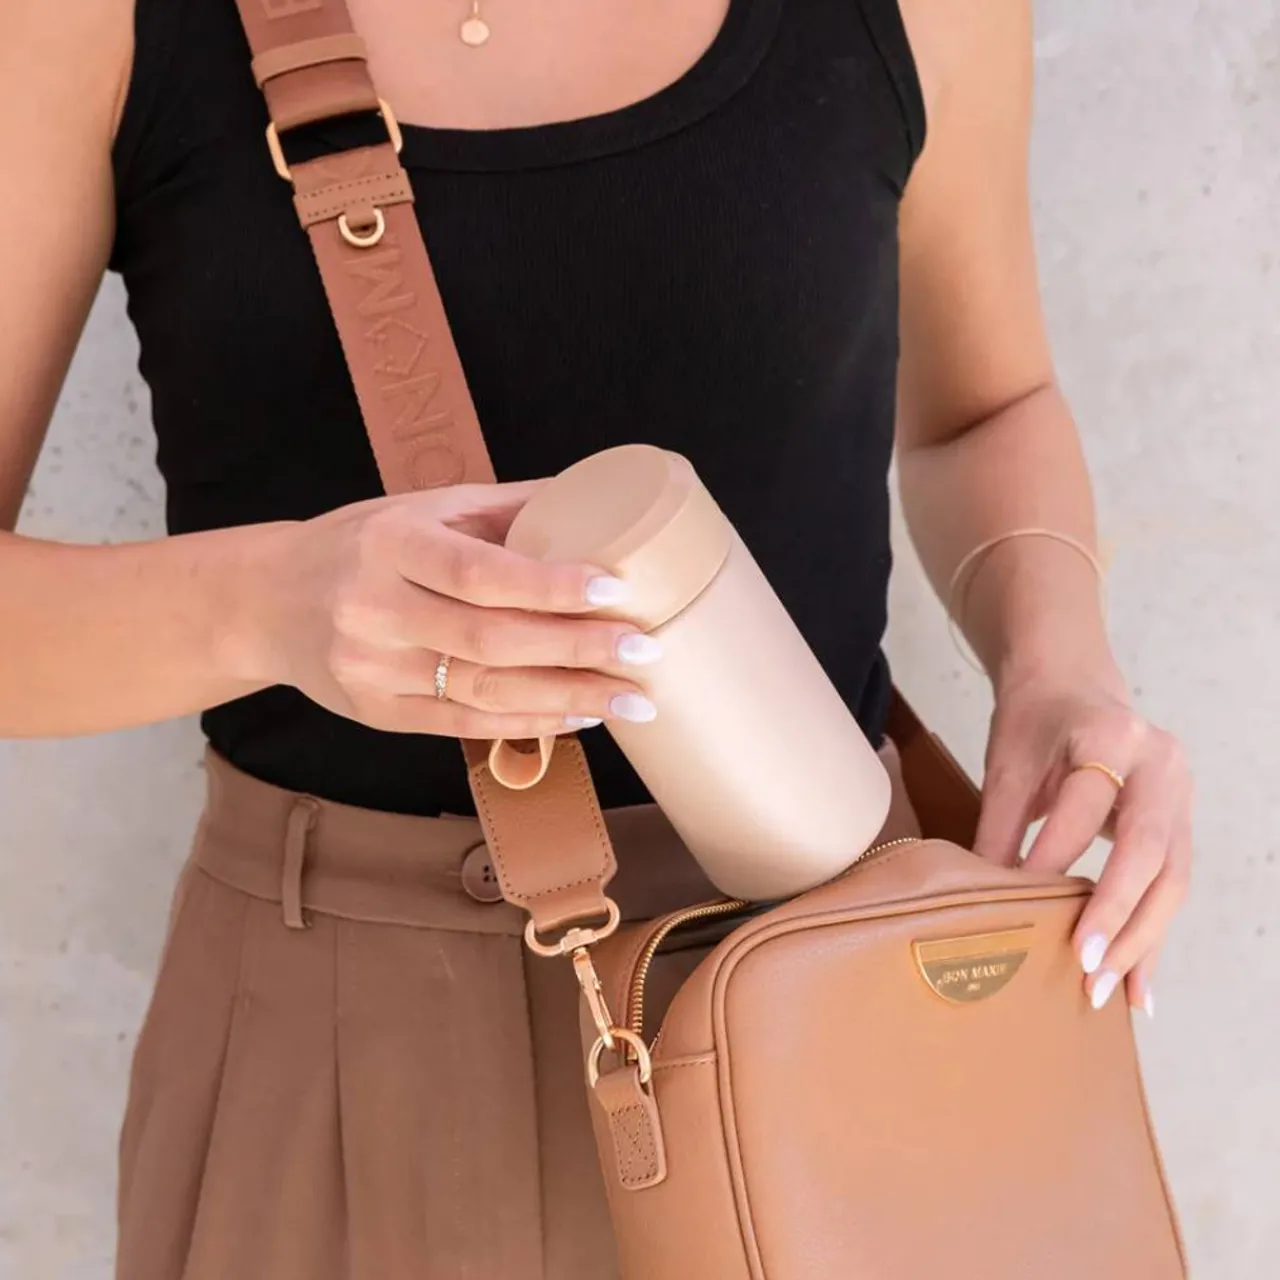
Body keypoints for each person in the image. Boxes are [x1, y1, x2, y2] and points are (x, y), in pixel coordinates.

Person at [0, 0, 1193, 1274]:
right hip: (332, 1042)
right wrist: (271, 604)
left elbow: (982, 409)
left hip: (833, 1000)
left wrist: (1058, 666)